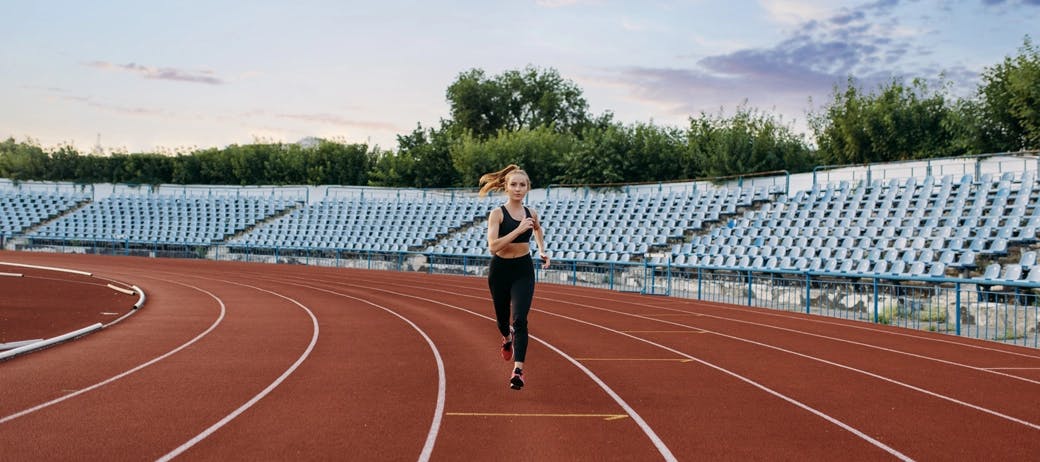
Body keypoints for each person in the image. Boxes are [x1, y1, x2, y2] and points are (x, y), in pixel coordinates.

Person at [480, 164, 550, 390]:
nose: (518, 189)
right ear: (506, 187)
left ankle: (518, 371)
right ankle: (506, 337)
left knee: (520, 319)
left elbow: (537, 230)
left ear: (528, 188)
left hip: (523, 270)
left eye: (522, 185)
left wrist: (541, 249)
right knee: (502, 321)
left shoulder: (532, 213)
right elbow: (493, 246)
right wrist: (518, 231)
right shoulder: (497, 214)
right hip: (500, 269)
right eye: (514, 185)